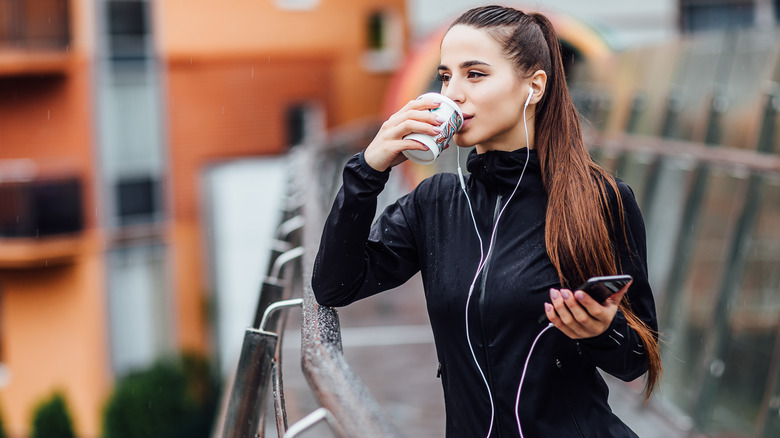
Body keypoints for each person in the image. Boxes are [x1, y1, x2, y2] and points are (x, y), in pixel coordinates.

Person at [312, 5, 661, 437]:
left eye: (474, 74)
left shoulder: (601, 199)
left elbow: (638, 359)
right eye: (445, 76)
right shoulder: (434, 203)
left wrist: (601, 331)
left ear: (533, 87)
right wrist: (368, 169)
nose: (453, 93)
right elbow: (336, 285)